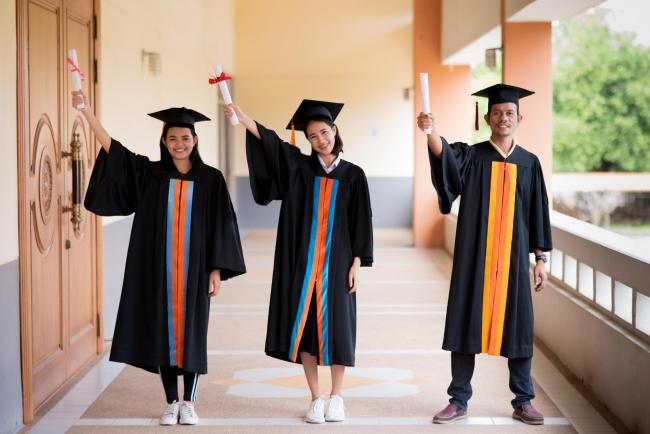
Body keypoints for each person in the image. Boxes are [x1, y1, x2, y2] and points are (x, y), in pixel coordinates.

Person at [74, 91, 246, 426]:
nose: (179, 144)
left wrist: (216, 270)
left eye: (185, 138)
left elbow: (222, 224)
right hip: (160, 272)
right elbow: (113, 148)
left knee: (192, 334)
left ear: (195, 140)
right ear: (163, 141)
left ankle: (190, 402)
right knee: (164, 334)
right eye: (172, 138)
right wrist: (86, 111)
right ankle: (171, 402)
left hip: (195, 272)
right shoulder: (150, 174)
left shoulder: (211, 179)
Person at [225, 99, 373, 424]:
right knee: (306, 331)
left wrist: (357, 264)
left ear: (334, 130)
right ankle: (315, 398)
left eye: (324, 132)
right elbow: (271, 143)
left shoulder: (354, 175)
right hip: (302, 266)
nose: (321, 140)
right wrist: (242, 116)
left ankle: (337, 396)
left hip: (338, 266)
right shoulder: (298, 169)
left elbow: (362, 221)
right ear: (306, 141)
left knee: (339, 331)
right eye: (313, 136)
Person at [416, 84, 552, 425]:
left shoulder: (530, 163)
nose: (503, 118)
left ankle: (523, 400)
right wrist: (429, 131)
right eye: (497, 113)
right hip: (474, 260)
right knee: (465, 324)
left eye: (509, 113)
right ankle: (458, 400)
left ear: (519, 118)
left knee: (519, 329)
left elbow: (537, 214)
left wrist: (540, 260)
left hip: (513, 262)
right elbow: (443, 156)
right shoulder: (472, 156)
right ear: (486, 117)